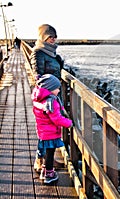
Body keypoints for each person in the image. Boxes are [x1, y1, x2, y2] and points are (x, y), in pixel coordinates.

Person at [30, 24, 65, 173]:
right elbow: (38, 77)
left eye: (54, 37)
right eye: (50, 37)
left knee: (50, 130)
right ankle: (41, 161)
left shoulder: (52, 54)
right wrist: (47, 98)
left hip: (56, 96)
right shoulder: (38, 53)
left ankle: (45, 160)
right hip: (47, 98)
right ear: (43, 37)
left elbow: (57, 70)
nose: (53, 39)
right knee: (47, 131)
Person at [31, 74, 72, 184]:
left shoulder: (39, 99)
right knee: (50, 154)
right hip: (51, 133)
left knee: (45, 152)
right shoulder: (51, 102)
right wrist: (69, 123)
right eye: (57, 88)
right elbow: (57, 119)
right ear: (49, 89)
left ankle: (43, 169)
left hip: (43, 131)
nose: (59, 90)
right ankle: (49, 175)